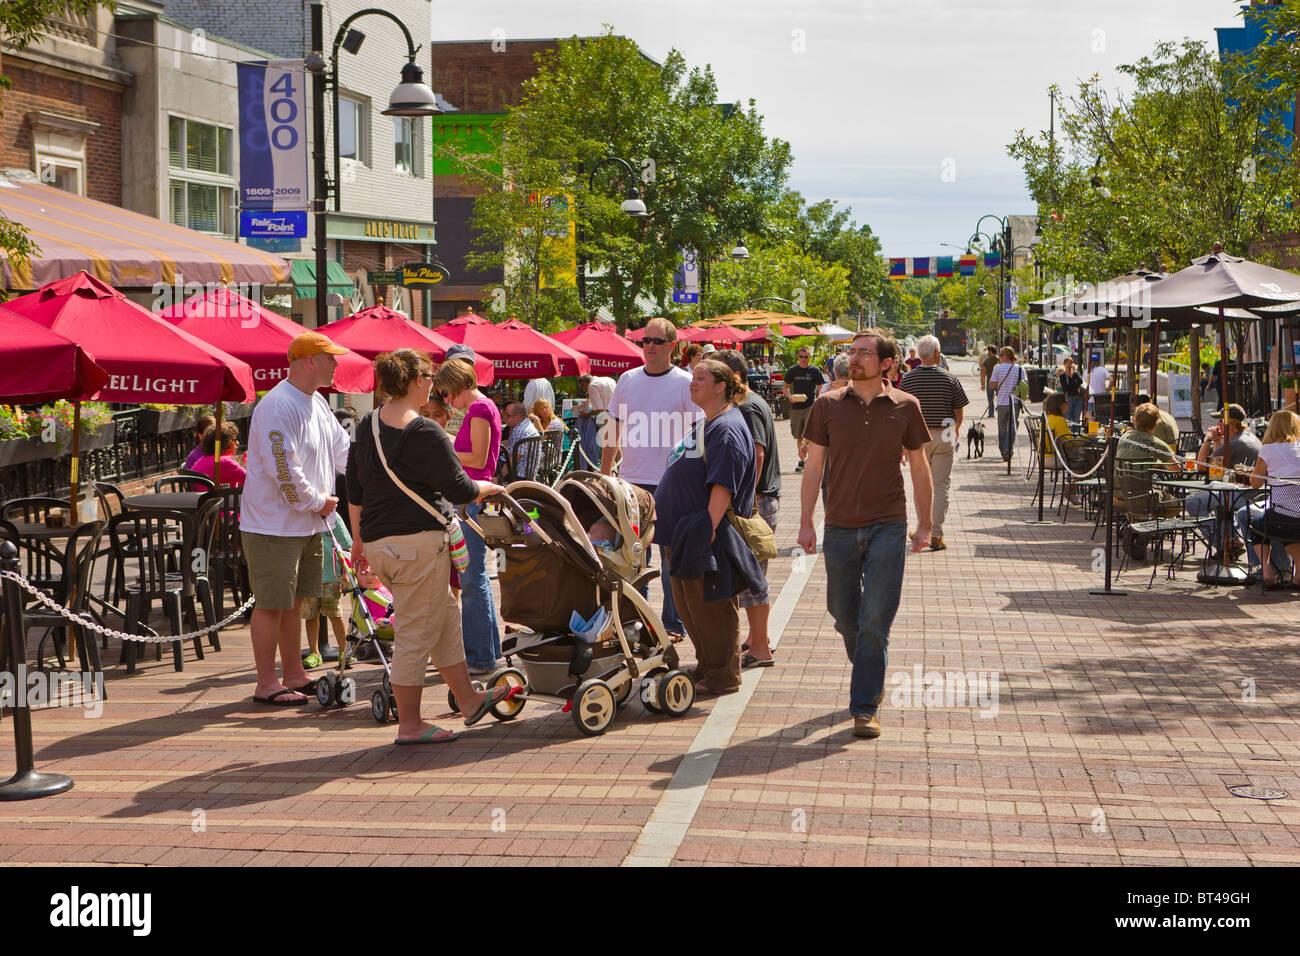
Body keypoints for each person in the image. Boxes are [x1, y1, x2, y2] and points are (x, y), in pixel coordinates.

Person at [347, 348, 511, 743]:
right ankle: (410, 725)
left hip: (380, 542)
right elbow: (460, 488)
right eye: (428, 375)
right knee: (414, 634)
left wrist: (358, 542)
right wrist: (491, 487)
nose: (433, 382)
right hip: (418, 546)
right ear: (414, 381)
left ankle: (469, 699)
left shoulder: (367, 425)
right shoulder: (425, 431)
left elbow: (354, 488)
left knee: (443, 620)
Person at [798, 328, 932, 740]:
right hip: (839, 525)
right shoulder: (827, 405)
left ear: (887, 363)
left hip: (888, 524)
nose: (853, 359)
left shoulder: (907, 406)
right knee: (843, 614)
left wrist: (925, 524)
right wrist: (806, 522)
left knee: (876, 621)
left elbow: (920, 466)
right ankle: (868, 664)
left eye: (863, 353)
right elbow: (814, 466)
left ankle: (865, 706)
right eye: (851, 352)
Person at [240, 331, 352, 705]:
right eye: (330, 358)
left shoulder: (316, 401)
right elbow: (282, 469)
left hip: (307, 523)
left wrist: (373, 476)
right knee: (272, 603)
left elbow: (343, 451)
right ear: (310, 362)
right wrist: (317, 501)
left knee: (295, 601)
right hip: (274, 526)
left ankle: (292, 673)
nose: (336, 364)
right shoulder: (277, 405)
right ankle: (266, 682)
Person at [654, 359, 759, 695]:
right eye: (693, 377)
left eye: (701, 378)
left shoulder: (727, 427)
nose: (693, 383)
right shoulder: (708, 422)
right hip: (681, 530)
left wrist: (708, 527)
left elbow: (723, 484)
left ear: (721, 386)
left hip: (701, 529)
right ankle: (708, 665)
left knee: (711, 605)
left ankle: (724, 674)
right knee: (689, 606)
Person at [602, 317, 697, 642]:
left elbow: (697, 436)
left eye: (658, 341)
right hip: (630, 484)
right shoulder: (627, 380)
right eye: (646, 341)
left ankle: (672, 623)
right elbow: (612, 431)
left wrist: (693, 477)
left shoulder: (685, 382)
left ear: (673, 346)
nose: (651, 347)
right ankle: (635, 619)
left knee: (671, 559)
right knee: (633, 557)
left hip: (671, 484)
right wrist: (604, 478)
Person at [434, 357, 504, 676]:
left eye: (448, 393)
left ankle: (479, 656)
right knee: (475, 577)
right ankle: (487, 651)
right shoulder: (481, 407)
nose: (448, 400)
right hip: (473, 497)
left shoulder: (479, 408)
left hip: (472, 498)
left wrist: (444, 449)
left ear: (461, 385)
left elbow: (478, 458)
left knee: (471, 576)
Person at [714, 349, 780, 668]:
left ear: (733, 377)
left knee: (750, 577)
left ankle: (760, 648)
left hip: (756, 501)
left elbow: (756, 454)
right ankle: (758, 640)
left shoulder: (749, 406)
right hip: (756, 500)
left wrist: (742, 500)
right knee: (750, 576)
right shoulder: (750, 403)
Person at [900, 334, 968, 551]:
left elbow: (901, 410)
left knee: (921, 484)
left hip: (917, 437)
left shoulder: (908, 379)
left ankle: (922, 529)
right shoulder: (949, 378)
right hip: (944, 433)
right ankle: (935, 533)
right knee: (940, 485)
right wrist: (955, 429)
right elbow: (959, 410)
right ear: (937, 353)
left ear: (920, 355)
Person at [1184, 403, 1262, 561]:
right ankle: (1231, 540)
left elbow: (1201, 467)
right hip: (1256, 494)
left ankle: (1224, 544)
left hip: (1244, 496)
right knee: (1216, 500)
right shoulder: (1250, 437)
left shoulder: (1232, 443)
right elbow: (1217, 471)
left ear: (1229, 424)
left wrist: (1207, 439)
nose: (1217, 425)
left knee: (1193, 501)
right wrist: (1218, 441)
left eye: (1220, 422)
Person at [1247, 410, 1300, 587]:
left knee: (1255, 525)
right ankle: (1298, 573)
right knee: (1290, 524)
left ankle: (1267, 572)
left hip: (1280, 517)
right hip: (1296, 515)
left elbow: (1255, 484)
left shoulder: (1268, 450)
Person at [302, 511, 348, 669]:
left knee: (335, 614)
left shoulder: (333, 517)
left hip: (331, 576)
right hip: (308, 576)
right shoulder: (301, 517)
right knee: (310, 616)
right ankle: (314, 652)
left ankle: (344, 651)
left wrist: (345, 574)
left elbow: (345, 546)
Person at [783, 346, 825, 473]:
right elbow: (785, 387)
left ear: (809, 357)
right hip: (795, 407)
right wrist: (789, 396)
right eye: (801, 357)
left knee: (810, 435)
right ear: (798, 357)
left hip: (809, 407)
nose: (803, 359)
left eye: (806, 357)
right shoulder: (792, 371)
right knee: (799, 435)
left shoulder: (814, 371)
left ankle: (810, 460)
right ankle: (801, 459)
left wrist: (819, 400)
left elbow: (820, 387)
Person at [989, 347, 1024, 462]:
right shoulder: (1020, 369)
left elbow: (992, 386)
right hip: (1015, 402)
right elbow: (1025, 385)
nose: (999, 357)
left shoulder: (997, 369)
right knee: (1013, 425)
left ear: (1005, 356)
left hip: (1002, 402)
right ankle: (1007, 448)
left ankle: (1004, 449)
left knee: (1002, 427)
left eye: (1000, 355)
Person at [576, 375, 614, 471]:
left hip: (607, 416)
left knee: (605, 445)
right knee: (615, 445)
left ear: (584, 383)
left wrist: (586, 415)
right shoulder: (609, 380)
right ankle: (618, 470)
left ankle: (606, 471)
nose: (585, 390)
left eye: (583, 387)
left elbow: (599, 409)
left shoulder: (592, 386)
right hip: (618, 415)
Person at [192, 421, 246, 488]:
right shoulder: (225, 462)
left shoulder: (200, 462)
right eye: (234, 440)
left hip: (203, 497)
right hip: (220, 498)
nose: (237, 443)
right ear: (226, 442)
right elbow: (250, 479)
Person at [502, 401, 541, 480]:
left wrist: (499, 477)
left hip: (518, 474)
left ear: (517, 417)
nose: (504, 418)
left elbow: (513, 458)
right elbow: (513, 445)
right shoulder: (527, 425)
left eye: (507, 415)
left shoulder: (519, 430)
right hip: (528, 472)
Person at [1057, 358, 1084, 423]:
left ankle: (1076, 432)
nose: (1069, 366)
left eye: (1071, 363)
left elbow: (1080, 382)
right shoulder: (1063, 375)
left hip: (1078, 398)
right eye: (1067, 364)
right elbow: (1066, 388)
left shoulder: (1075, 373)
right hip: (1069, 399)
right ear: (1064, 364)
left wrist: (1073, 374)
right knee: (1068, 418)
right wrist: (1075, 384)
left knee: (1076, 419)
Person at [980, 346, 998, 418]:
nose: (987, 353)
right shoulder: (999, 360)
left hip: (990, 382)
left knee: (990, 399)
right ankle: (999, 409)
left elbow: (983, 374)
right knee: (1000, 398)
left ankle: (991, 413)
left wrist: (982, 384)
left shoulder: (986, 362)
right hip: (999, 382)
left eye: (988, 351)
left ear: (990, 351)